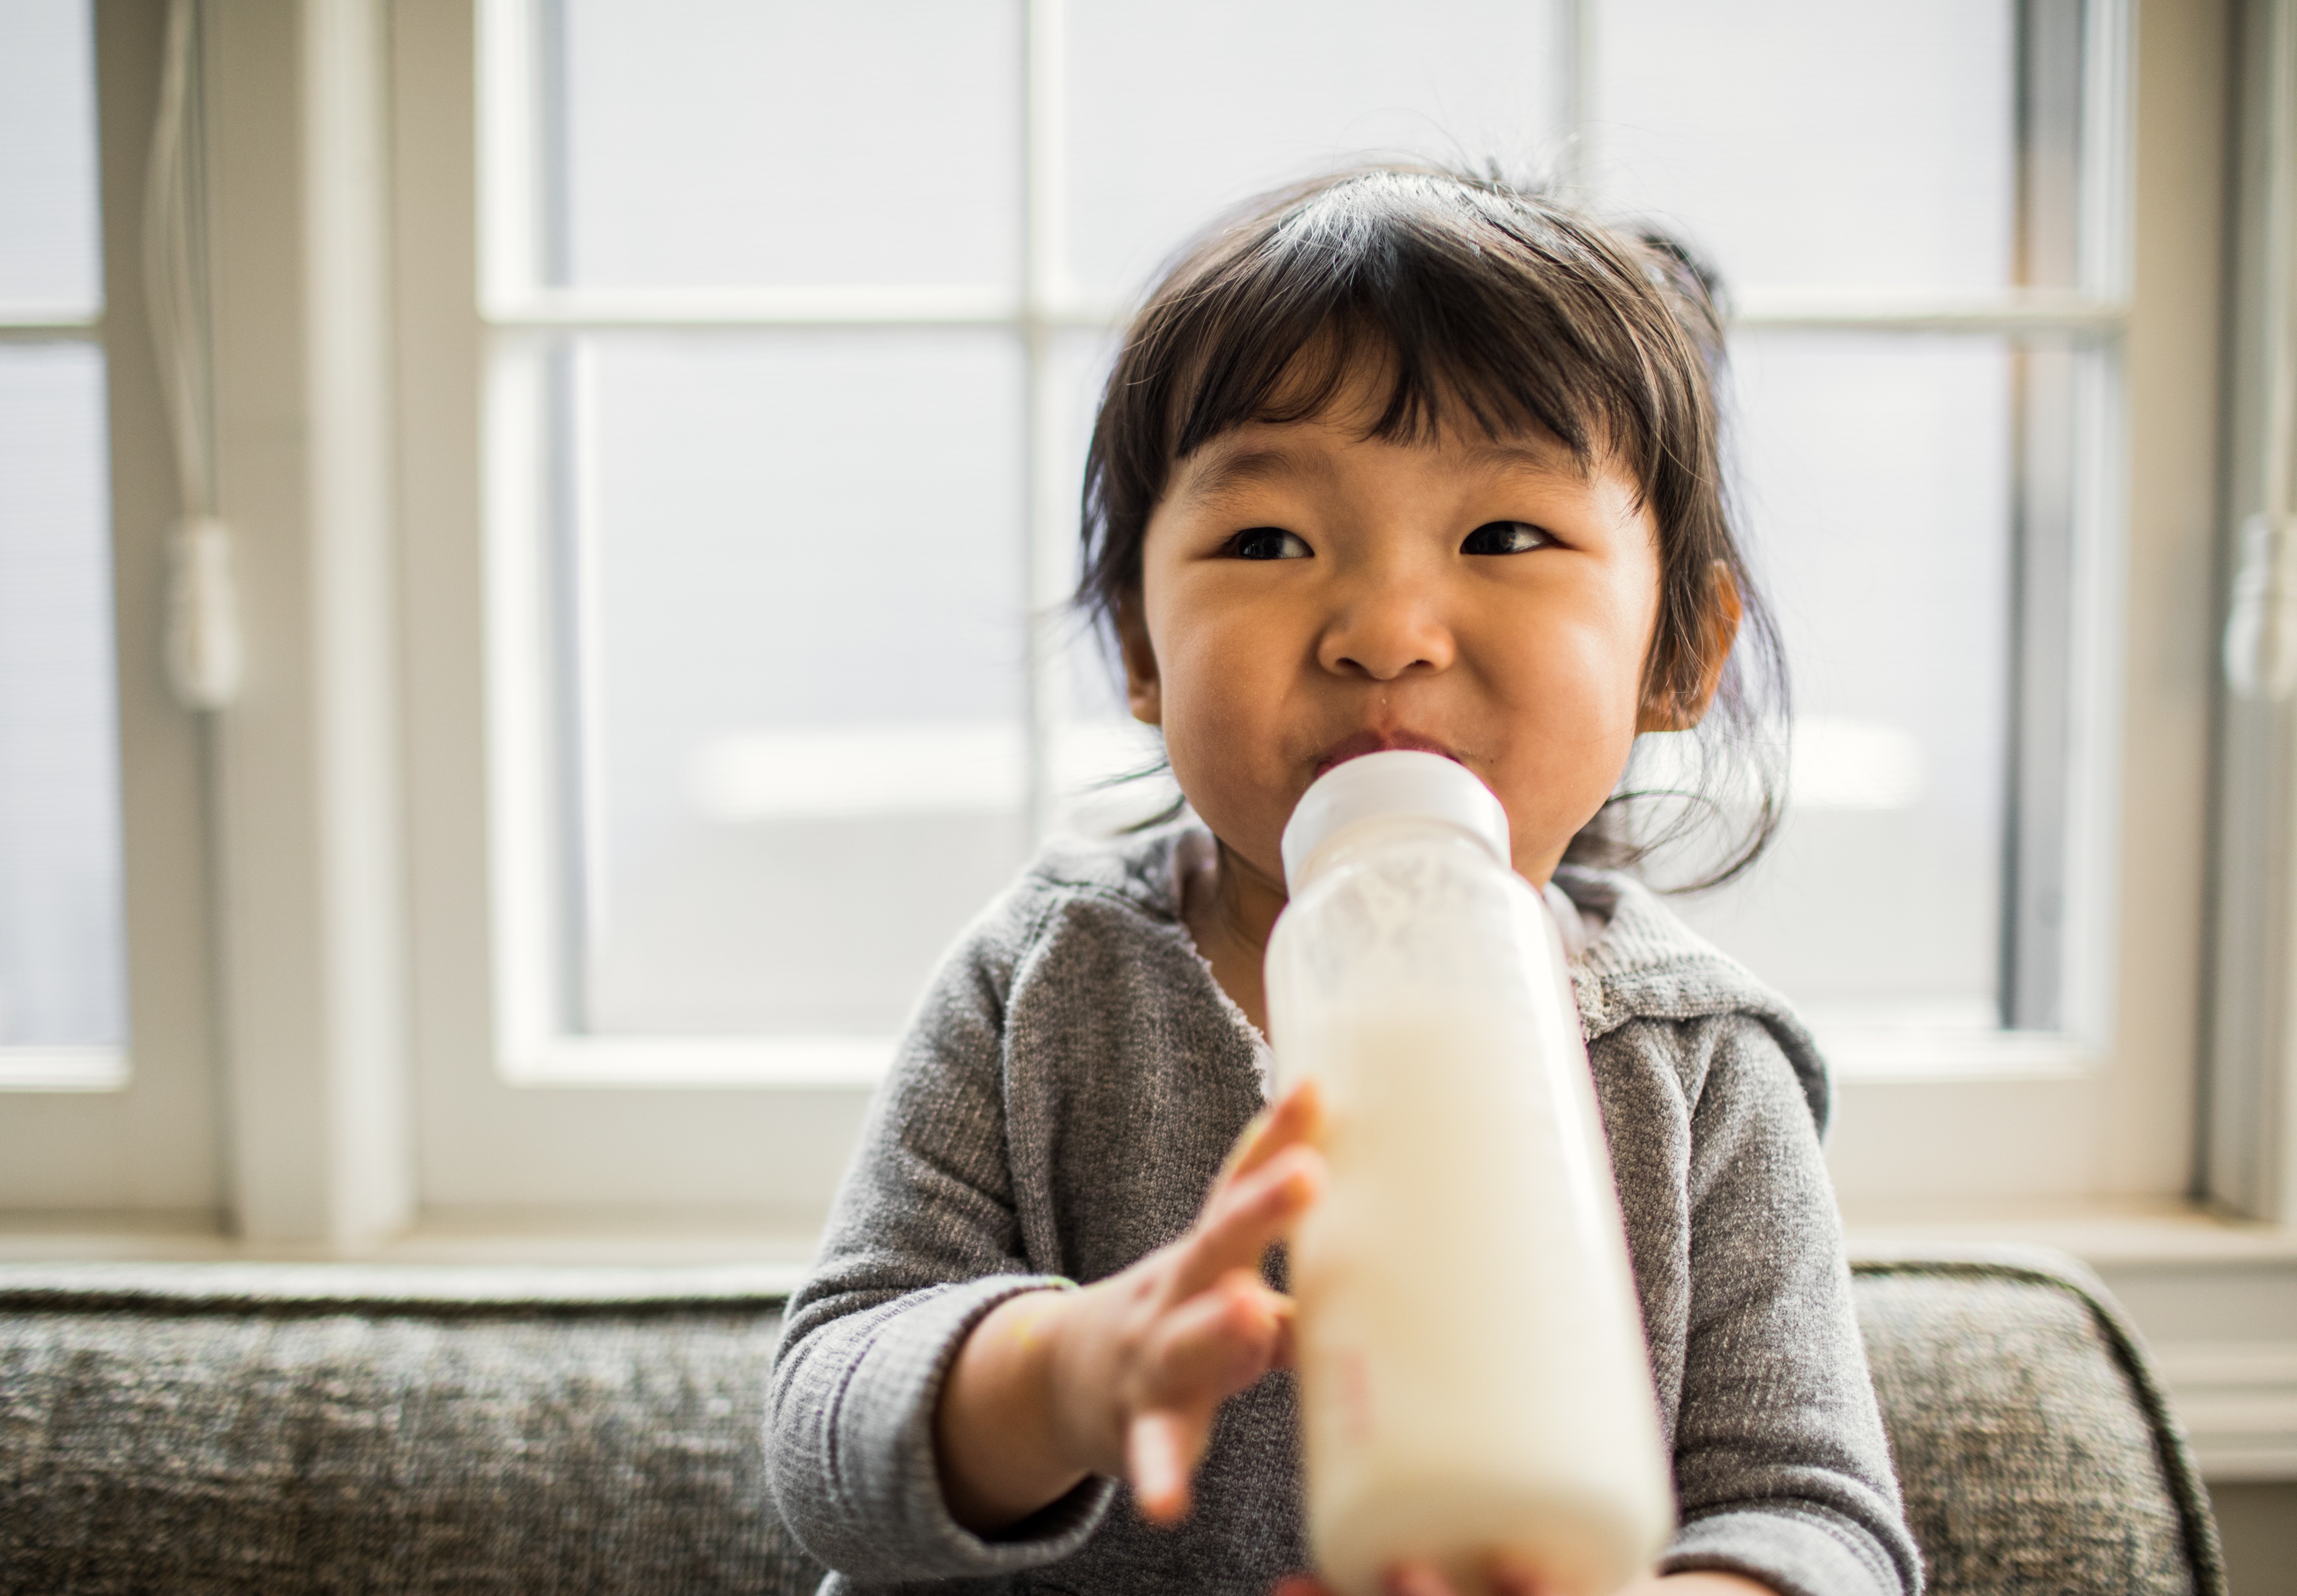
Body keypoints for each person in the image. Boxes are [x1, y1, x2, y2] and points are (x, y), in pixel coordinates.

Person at [763, 165, 1922, 1596]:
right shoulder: (1046, 983)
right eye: (1266, 541)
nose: (1384, 630)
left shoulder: (1695, 1069)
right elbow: (823, 1438)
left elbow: (1818, 1519)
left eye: (1504, 536)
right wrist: (1068, 1371)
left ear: (1681, 650)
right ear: (1139, 646)